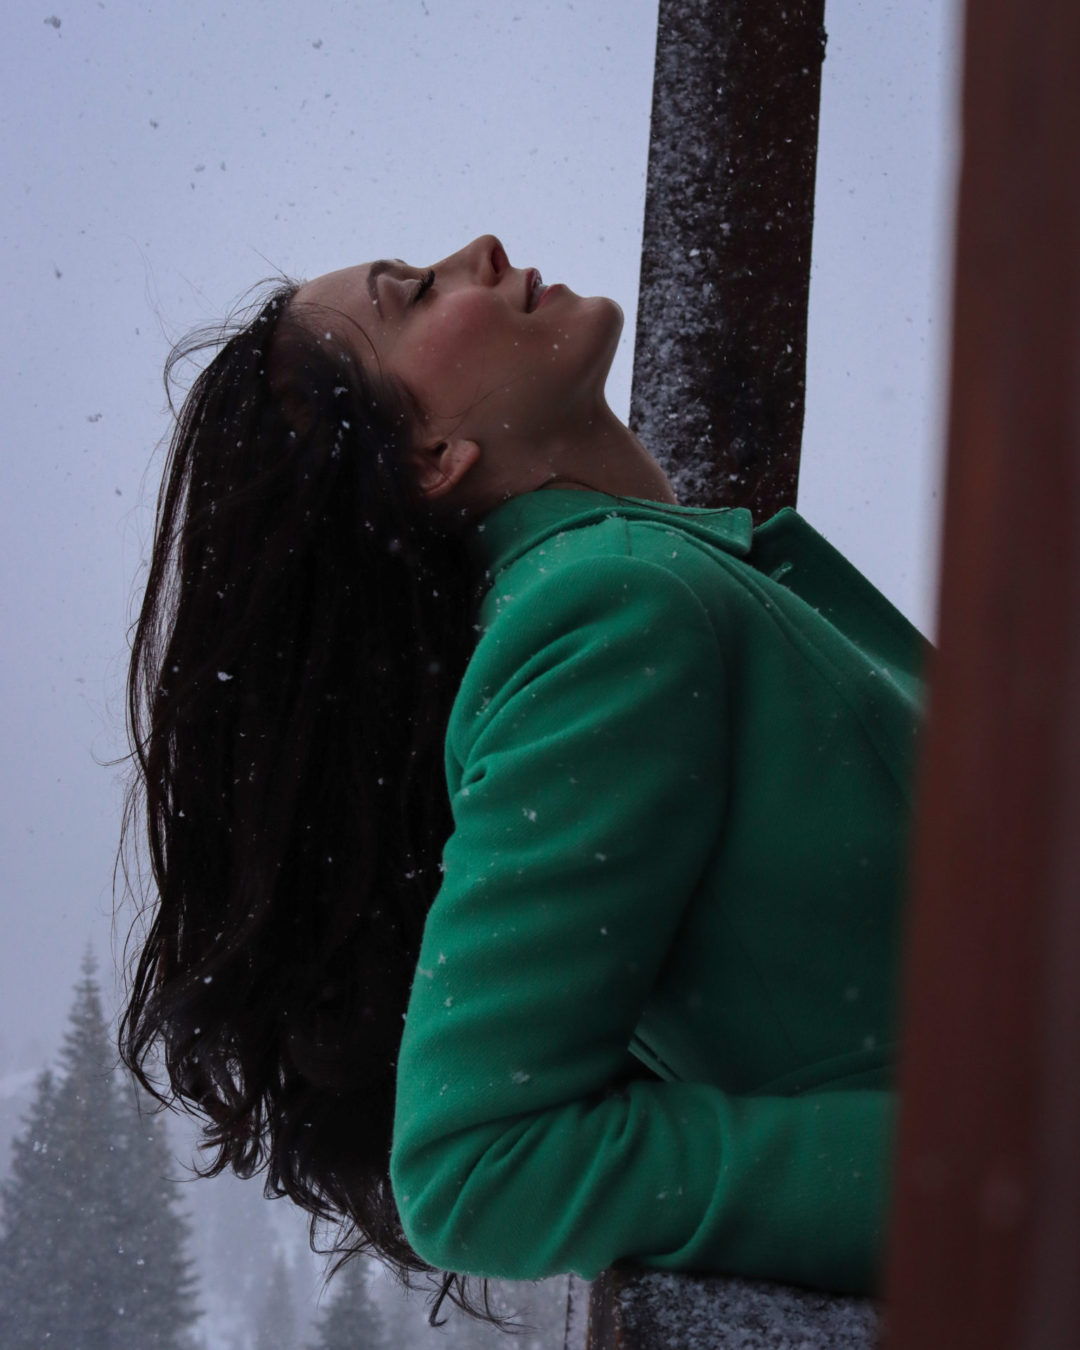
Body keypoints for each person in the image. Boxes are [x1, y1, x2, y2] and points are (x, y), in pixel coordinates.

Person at [119, 235, 925, 1320]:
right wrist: (978, 1168)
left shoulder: (635, 589)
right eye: (411, 296)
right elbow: (481, 1164)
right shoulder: (605, 609)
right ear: (430, 456)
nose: (477, 251)